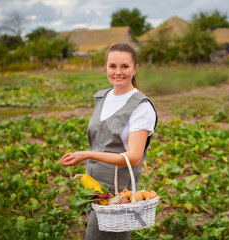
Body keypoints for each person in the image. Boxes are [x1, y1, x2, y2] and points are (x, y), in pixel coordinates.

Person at [60, 42, 157, 240]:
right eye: (112, 66)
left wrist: (87, 154)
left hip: (117, 192)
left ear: (135, 69)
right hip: (93, 187)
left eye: (125, 66)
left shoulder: (141, 107)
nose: (118, 72)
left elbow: (134, 157)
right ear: (106, 67)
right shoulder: (102, 97)